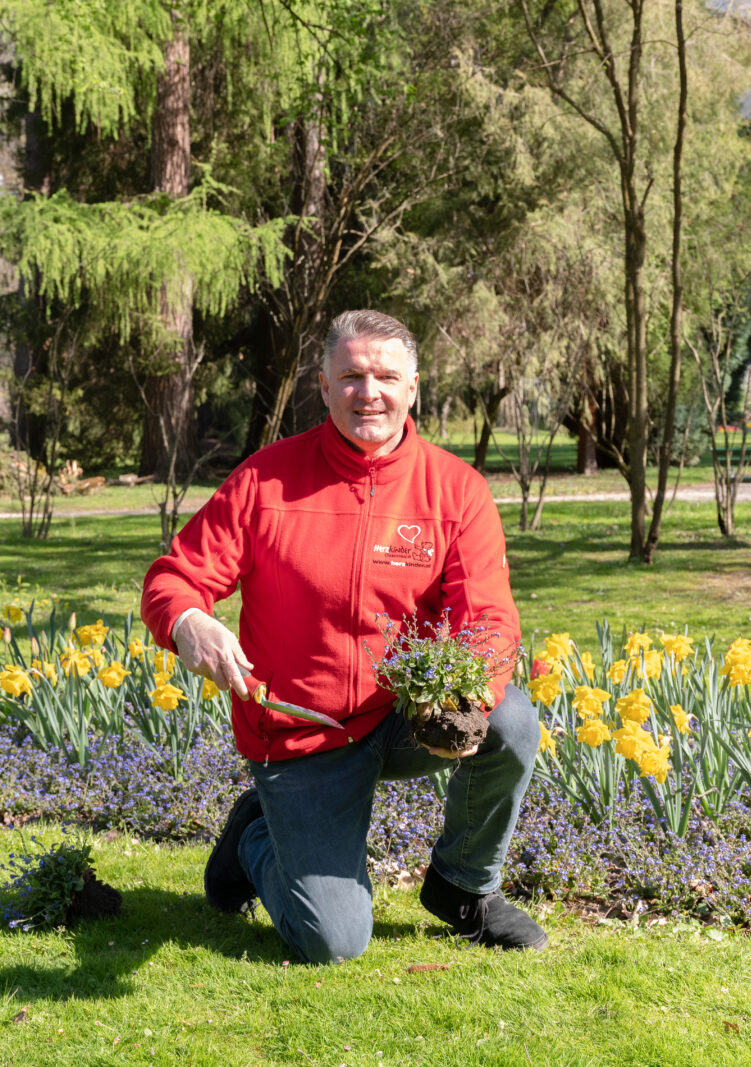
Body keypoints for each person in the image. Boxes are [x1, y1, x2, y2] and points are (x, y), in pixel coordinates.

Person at [140, 309, 546, 963]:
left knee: (513, 719)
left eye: (386, 375)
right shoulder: (266, 482)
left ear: (413, 388)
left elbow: (489, 619)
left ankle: (462, 887)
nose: (369, 391)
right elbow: (174, 577)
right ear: (324, 386)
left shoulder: (454, 490)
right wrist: (189, 620)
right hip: (300, 732)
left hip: (402, 717)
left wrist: (468, 692)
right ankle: (255, 840)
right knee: (331, 940)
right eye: (351, 375)